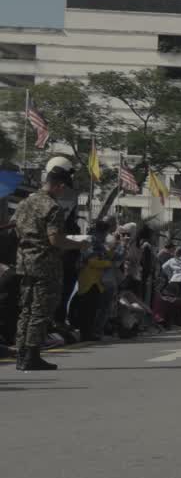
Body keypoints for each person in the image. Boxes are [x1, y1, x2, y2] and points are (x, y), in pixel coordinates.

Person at [12, 157, 89, 371]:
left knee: (26, 309)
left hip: (24, 262)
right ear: (60, 185)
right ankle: (32, 355)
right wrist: (77, 244)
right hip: (45, 265)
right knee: (40, 311)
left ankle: (21, 354)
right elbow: (55, 239)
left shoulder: (25, 202)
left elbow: (17, 230)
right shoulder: (52, 207)